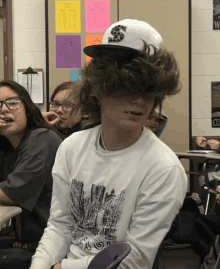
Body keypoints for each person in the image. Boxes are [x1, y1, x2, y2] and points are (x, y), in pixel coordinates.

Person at [30, 19, 188, 269]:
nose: (139, 101)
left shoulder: (164, 169)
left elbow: (135, 260)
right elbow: (60, 225)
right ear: (100, 89)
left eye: (149, 91)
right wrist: (40, 265)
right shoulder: (72, 148)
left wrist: (60, 268)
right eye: (125, 88)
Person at [0, 81, 63, 266]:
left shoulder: (42, 138)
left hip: (51, 243)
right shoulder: (8, 146)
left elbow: (11, 193)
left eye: (11, 102)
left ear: (27, 108)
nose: (4, 110)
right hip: (26, 238)